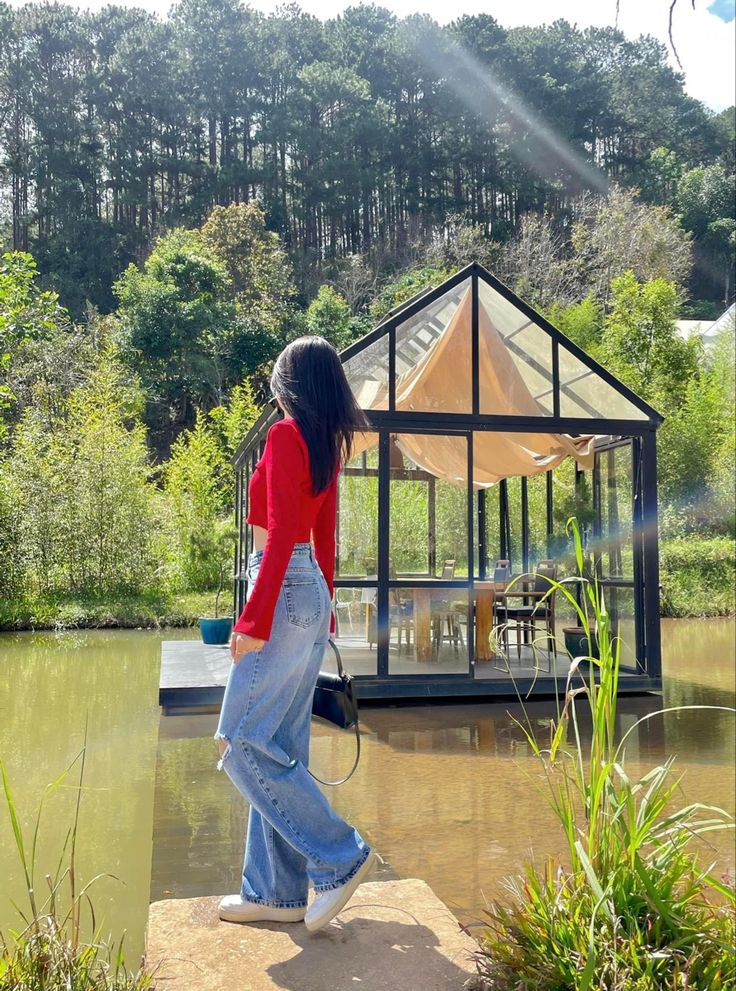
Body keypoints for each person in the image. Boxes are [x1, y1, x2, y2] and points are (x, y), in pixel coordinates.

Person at [213, 335, 377, 933]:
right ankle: (275, 893)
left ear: (290, 384)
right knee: (280, 745)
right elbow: (322, 536)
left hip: (281, 588)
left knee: (240, 740)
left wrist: (253, 622)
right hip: (306, 590)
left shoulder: (286, 437)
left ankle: (340, 856)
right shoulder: (323, 444)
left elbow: (281, 535)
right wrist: (325, 610)